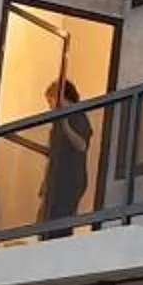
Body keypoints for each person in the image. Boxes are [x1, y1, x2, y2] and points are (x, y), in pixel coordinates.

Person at [40, 78, 90, 236]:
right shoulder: (56, 124)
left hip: (69, 179)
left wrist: (66, 126)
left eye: (51, 101)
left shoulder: (78, 116)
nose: (50, 107)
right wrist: (45, 181)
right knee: (45, 219)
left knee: (61, 219)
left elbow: (82, 145)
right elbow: (53, 154)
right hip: (56, 179)